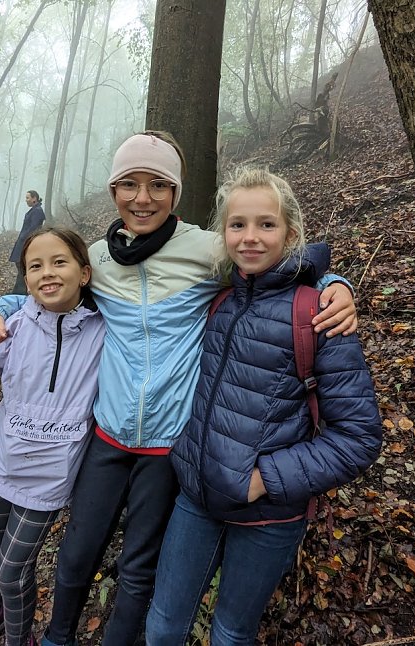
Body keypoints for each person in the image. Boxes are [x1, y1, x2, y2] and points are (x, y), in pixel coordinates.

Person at [0, 132, 358, 646]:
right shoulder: (98, 257)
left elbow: (277, 264)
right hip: (108, 436)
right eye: (129, 185)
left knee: (138, 567)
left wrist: (336, 282)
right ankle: (56, 638)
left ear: (175, 192)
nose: (143, 198)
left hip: (169, 445)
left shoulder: (206, 248)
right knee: (75, 553)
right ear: (114, 191)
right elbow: (49, 284)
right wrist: (2, 307)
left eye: (158, 185)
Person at [145, 166, 383, 646]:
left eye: (266, 225)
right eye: (238, 225)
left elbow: (358, 437)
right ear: (223, 233)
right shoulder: (220, 300)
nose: (250, 237)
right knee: (163, 626)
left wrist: (264, 481)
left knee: (231, 634)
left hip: (269, 512)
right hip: (196, 497)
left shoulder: (317, 314)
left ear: (290, 232)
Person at [0, 227, 105, 646]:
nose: (47, 273)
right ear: (25, 280)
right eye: (35, 266)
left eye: (59, 262)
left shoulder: (106, 330)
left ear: (84, 273)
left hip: (47, 479)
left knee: (12, 572)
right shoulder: (15, 323)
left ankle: (18, 637)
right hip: (0, 464)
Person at [9, 190, 46, 294]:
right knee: (21, 269)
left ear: (34, 198)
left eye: (28, 198)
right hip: (22, 243)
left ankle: (19, 293)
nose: (26, 200)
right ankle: (19, 293)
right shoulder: (34, 210)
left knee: (23, 269)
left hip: (26, 244)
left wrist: (25, 240)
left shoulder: (38, 211)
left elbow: (33, 229)